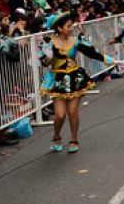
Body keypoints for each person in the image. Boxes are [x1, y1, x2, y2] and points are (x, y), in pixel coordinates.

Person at [39, 12, 116, 153]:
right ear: (59, 28)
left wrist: (111, 60)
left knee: (73, 111)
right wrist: (49, 57)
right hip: (58, 81)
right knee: (60, 114)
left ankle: (74, 139)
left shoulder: (75, 41)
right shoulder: (48, 42)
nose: (71, 28)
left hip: (75, 79)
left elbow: (91, 53)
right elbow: (44, 62)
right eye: (68, 26)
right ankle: (56, 136)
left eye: (72, 26)